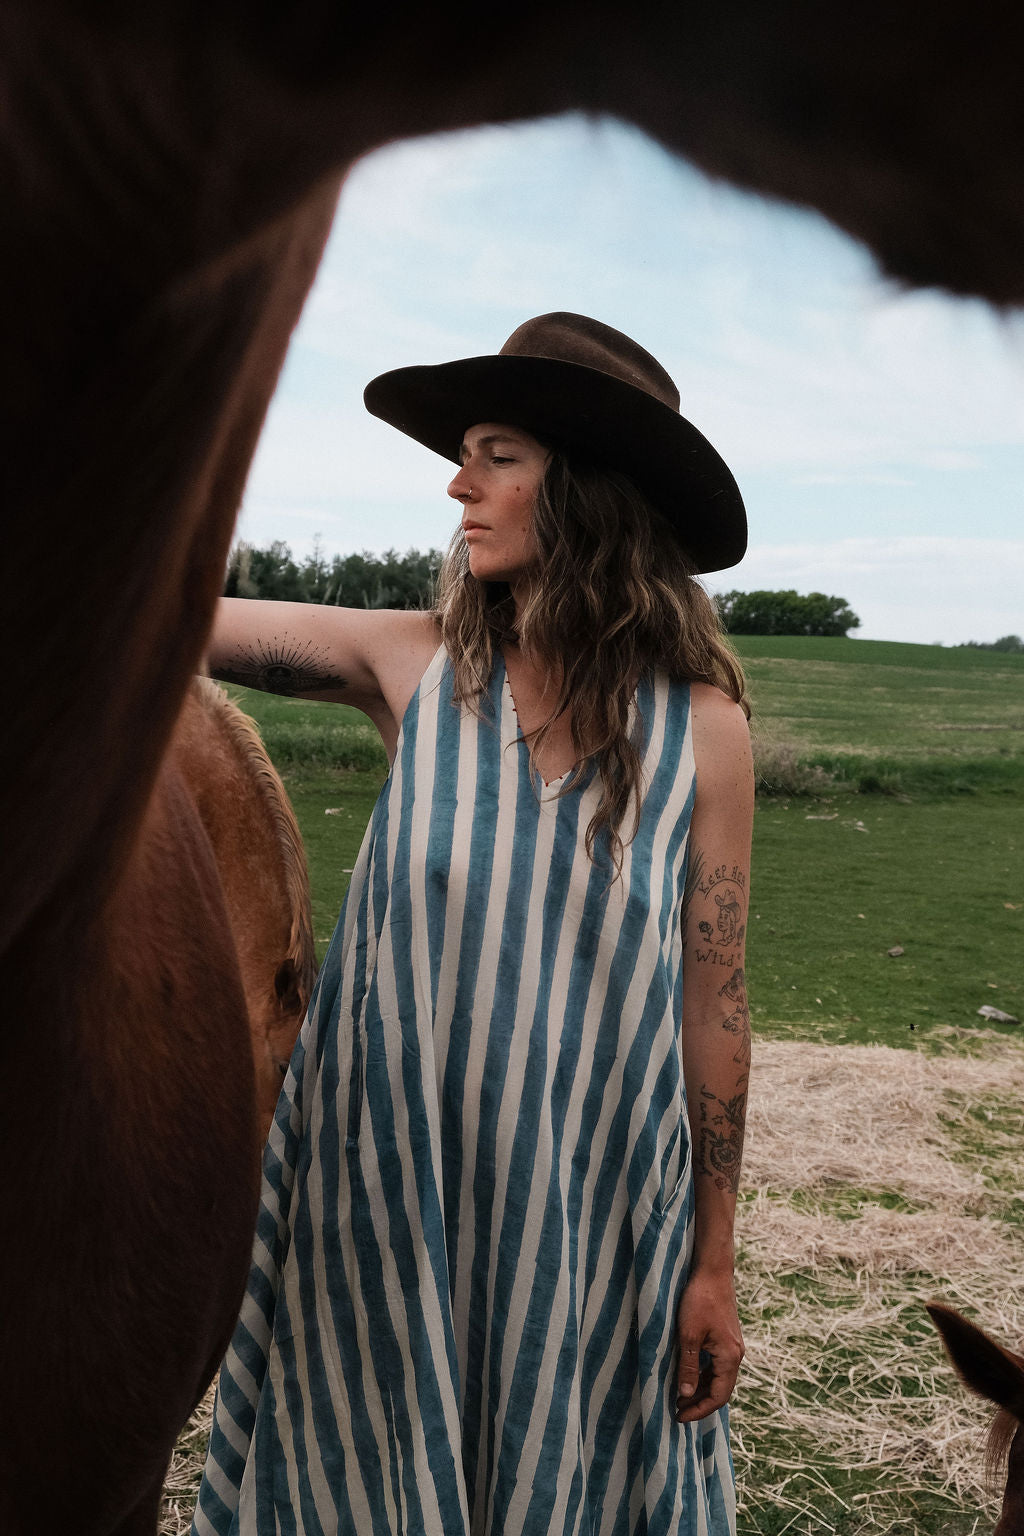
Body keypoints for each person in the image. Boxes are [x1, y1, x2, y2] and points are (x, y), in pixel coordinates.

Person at [193, 312, 754, 1536]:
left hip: (591, 1220)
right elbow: (183, 619)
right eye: (466, 454)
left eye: (498, 453)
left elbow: (714, 1004)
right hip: (388, 1204)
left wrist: (712, 1262)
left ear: (588, 486)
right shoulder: (413, 668)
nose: (460, 482)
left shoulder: (703, 733)